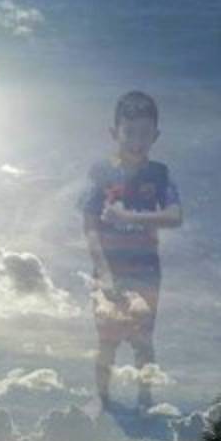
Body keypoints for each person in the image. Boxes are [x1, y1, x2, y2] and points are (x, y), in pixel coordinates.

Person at [77, 90, 182, 415]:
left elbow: (174, 216)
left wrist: (129, 216)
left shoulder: (160, 174)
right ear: (115, 132)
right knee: (107, 339)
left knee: (142, 339)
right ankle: (102, 397)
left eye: (144, 133)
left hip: (146, 269)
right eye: (129, 132)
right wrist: (104, 273)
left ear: (155, 136)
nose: (137, 141)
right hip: (108, 267)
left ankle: (144, 400)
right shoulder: (100, 173)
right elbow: (90, 228)